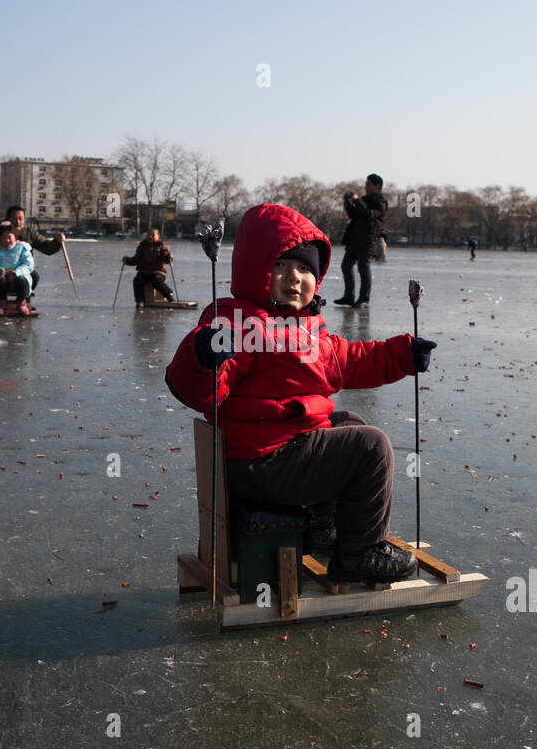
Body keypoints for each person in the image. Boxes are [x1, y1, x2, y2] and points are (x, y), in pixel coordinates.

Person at [165, 203, 438, 585]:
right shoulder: (240, 323)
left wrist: (402, 354)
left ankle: (320, 528)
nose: (294, 277)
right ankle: (359, 552)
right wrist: (202, 356)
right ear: (256, 269)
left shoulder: (307, 330)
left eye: (305, 269)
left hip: (277, 456)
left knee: (347, 423)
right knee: (370, 447)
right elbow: (199, 392)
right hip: (259, 464)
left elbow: (353, 361)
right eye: (281, 265)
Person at [0, 206, 63, 294]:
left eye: (21, 218)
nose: (18, 221)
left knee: (34, 276)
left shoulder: (29, 232)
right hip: (1, 269)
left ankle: (25, 300)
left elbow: (46, 247)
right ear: (7, 218)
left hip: (22, 269)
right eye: (14, 218)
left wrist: (57, 242)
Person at [333, 174, 387, 308]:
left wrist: (357, 201)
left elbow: (368, 215)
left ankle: (364, 299)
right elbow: (353, 215)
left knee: (363, 268)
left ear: (377, 186)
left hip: (368, 239)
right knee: (346, 265)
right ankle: (349, 296)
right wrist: (348, 202)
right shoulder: (364, 200)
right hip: (354, 239)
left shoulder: (381, 202)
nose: (365, 187)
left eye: (368, 184)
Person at [0, 224, 34, 315]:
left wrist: (16, 273)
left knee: (21, 280)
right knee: (0, 280)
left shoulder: (22, 248)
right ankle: (1, 305)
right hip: (4, 281)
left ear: (14, 237)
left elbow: (28, 265)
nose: (7, 240)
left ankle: (22, 304)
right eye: (4, 237)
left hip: (19, 278)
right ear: (0, 238)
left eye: (9, 237)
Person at [124, 228, 175, 307]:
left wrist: (168, 255)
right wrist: (127, 260)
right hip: (143, 271)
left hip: (157, 271)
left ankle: (169, 295)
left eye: (153, 235)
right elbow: (135, 260)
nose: (150, 237)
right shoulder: (142, 246)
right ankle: (140, 300)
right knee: (137, 281)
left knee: (157, 280)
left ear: (158, 236)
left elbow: (166, 260)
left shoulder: (161, 247)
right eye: (149, 235)